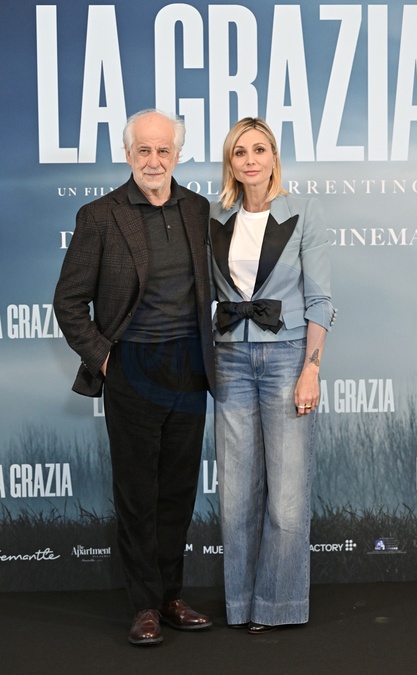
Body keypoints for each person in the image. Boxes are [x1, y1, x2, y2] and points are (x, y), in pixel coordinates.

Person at [54, 109, 215, 646]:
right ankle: (144, 605)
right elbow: (68, 301)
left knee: (178, 491)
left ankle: (170, 597)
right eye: (143, 150)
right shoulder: (100, 216)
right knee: (137, 493)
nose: (153, 160)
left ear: (177, 155)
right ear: (127, 154)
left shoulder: (197, 209)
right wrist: (106, 360)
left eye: (163, 150)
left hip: (189, 368)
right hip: (132, 368)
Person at [209, 117, 336, 634]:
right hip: (229, 360)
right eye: (240, 152)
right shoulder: (212, 216)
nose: (251, 160)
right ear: (231, 162)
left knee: (286, 499)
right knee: (236, 498)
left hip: (287, 358)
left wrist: (311, 369)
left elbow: (320, 299)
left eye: (259, 149)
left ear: (274, 157)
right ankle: (240, 605)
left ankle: (277, 606)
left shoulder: (304, 212)